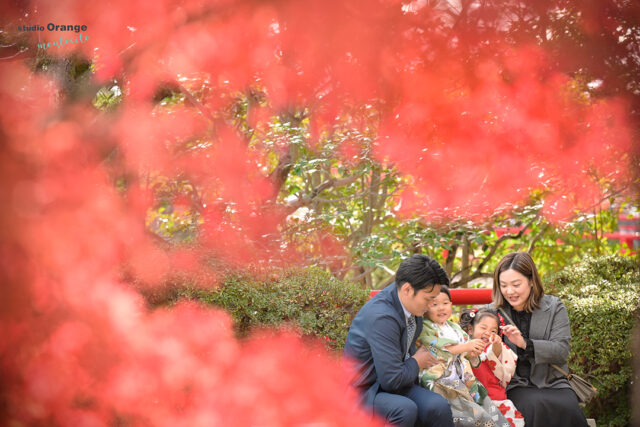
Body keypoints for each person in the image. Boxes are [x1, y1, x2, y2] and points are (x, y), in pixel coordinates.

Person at [344, 254, 454, 427]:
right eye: (428, 299)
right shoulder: (382, 317)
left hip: (394, 384)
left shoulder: (409, 306)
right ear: (407, 289)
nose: (432, 304)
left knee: (438, 406)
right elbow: (392, 379)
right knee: (404, 409)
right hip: (365, 390)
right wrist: (417, 361)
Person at [493, 252, 589, 427]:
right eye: (503, 285)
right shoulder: (493, 312)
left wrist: (524, 344)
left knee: (567, 407)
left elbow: (561, 350)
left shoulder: (554, 307)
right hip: (515, 384)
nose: (509, 291)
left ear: (531, 281)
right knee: (533, 406)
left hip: (552, 381)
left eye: (516, 284)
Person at [418, 287, 511, 427]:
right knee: (472, 416)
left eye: (445, 303)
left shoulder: (454, 327)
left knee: (489, 408)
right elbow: (440, 349)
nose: (441, 308)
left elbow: (466, 352)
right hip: (441, 380)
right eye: (434, 304)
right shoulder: (425, 327)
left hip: (464, 378)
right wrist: (466, 347)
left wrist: (473, 352)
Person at [459, 307, 524, 427]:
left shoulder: (494, 348)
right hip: (471, 400)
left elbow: (505, 368)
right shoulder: (462, 346)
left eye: (493, 331)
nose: (488, 333)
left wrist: (496, 348)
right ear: (470, 329)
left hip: (496, 398)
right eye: (483, 328)